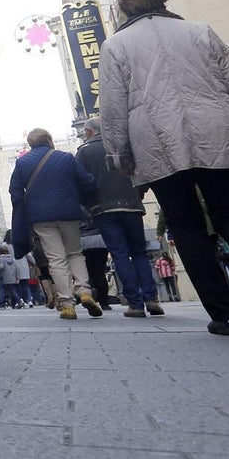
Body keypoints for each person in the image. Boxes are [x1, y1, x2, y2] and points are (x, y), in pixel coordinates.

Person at [99, 0, 229, 336]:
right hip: (218, 130)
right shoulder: (200, 32)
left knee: (186, 226)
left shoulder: (115, 46)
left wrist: (119, 157)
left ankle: (223, 315)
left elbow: (113, 108)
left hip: (157, 143)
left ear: (123, 7)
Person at [9, 128, 100, 320]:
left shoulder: (22, 163)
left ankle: (67, 304)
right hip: (69, 212)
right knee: (75, 253)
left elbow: (15, 192)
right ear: (49, 139)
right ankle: (84, 291)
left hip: (41, 217)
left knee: (56, 259)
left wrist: (25, 210)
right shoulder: (66, 158)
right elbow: (88, 182)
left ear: (31, 144)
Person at [75, 117, 162, 318]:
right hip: (132, 206)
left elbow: (80, 183)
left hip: (103, 209)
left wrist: (88, 204)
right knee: (139, 253)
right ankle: (151, 298)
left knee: (120, 254)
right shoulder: (124, 146)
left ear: (89, 132)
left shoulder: (84, 152)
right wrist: (138, 194)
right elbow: (142, 172)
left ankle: (135, 303)